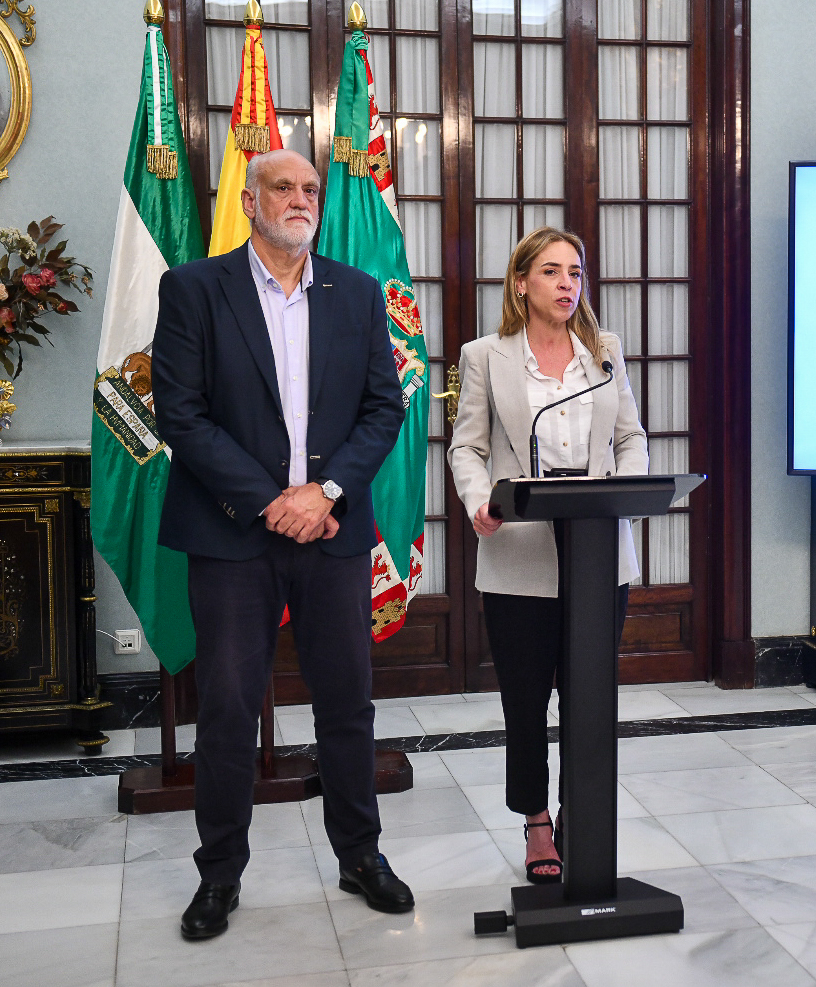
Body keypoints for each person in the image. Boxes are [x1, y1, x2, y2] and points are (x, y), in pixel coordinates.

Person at [152, 149, 414, 940]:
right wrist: (273, 503)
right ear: (249, 198)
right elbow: (181, 413)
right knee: (228, 709)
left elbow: (383, 407)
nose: (301, 199)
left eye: (310, 189)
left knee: (347, 704)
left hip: (332, 532)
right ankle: (219, 873)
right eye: (283, 187)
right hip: (232, 534)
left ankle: (360, 854)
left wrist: (325, 492)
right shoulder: (194, 288)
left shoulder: (357, 292)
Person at [448, 226, 648, 883]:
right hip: (519, 555)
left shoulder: (604, 353)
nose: (567, 284)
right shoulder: (485, 356)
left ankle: (578, 812)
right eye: (552, 271)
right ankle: (536, 820)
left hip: (597, 554)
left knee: (588, 697)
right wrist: (478, 499)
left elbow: (630, 439)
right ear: (521, 283)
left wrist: (624, 494)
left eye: (575, 272)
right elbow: (467, 447)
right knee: (527, 700)